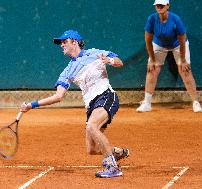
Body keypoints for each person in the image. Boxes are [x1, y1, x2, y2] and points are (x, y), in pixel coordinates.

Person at [20, 30, 129, 178]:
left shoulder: (94, 53)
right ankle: (117, 153)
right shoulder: (67, 71)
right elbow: (58, 96)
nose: (61, 45)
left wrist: (109, 60)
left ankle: (113, 167)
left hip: (106, 96)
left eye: (64, 42)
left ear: (75, 42)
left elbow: (119, 62)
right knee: (91, 149)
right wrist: (31, 105)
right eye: (61, 43)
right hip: (91, 105)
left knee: (92, 126)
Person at [136, 0, 202, 113]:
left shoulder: (176, 19)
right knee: (152, 69)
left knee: (185, 70)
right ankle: (147, 103)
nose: (159, 6)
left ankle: (196, 102)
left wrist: (182, 60)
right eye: (157, 5)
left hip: (178, 45)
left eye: (162, 5)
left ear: (168, 6)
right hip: (159, 45)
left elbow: (182, 41)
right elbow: (148, 41)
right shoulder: (151, 19)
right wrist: (152, 60)